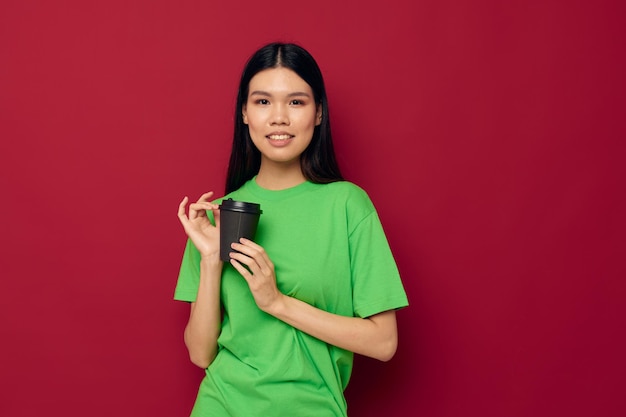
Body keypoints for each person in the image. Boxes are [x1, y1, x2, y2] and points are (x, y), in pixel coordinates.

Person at [175, 42, 408, 417]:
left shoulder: (347, 205)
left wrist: (277, 303)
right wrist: (210, 260)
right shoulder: (222, 214)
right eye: (263, 102)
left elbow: (383, 342)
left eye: (296, 102)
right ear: (245, 114)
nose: (279, 117)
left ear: (318, 114)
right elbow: (201, 354)